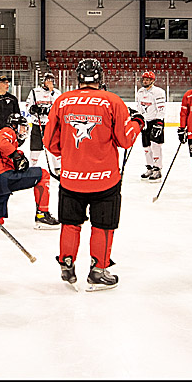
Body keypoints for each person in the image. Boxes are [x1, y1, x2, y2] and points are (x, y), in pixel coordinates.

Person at [44, 58, 145, 291]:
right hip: (105, 179)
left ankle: (67, 265)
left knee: (70, 223)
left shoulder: (62, 101)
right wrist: (138, 122)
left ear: (77, 77)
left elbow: (50, 143)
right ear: (100, 77)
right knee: (103, 225)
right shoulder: (112, 101)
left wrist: (72, 154)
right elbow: (125, 139)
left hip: (71, 177)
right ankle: (98, 271)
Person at [0, 113, 59, 230]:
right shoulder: (7, 131)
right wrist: (16, 155)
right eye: (22, 127)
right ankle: (42, 215)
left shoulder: (7, 142)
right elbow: (3, 143)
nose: (24, 130)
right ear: (14, 125)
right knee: (43, 175)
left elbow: (5, 154)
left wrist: (18, 158)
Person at [135, 70, 167, 182]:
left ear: (152, 81)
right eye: (143, 79)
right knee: (146, 147)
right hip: (145, 121)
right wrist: (138, 117)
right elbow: (139, 106)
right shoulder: (140, 92)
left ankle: (157, 169)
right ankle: (149, 167)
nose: (145, 81)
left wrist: (159, 122)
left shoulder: (158, 92)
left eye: (147, 79)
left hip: (155, 121)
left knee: (155, 146)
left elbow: (161, 108)